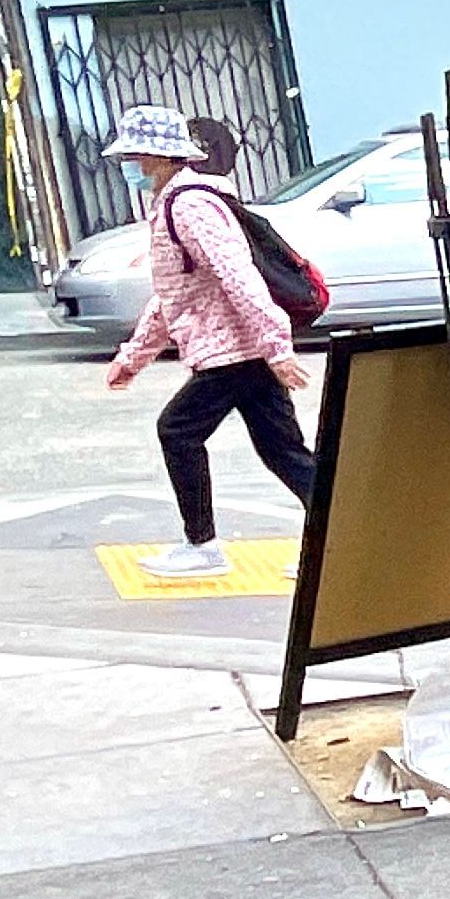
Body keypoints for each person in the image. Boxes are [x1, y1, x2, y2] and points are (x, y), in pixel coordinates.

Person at [98, 106, 310, 585]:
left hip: (232, 349)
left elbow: (238, 275)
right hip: (238, 346)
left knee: (178, 430)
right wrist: (134, 357)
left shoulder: (189, 206)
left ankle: (202, 545)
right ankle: (336, 541)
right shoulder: (176, 203)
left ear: (156, 156)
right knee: (284, 451)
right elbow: (173, 294)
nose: (127, 165)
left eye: (132, 155)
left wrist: (275, 344)